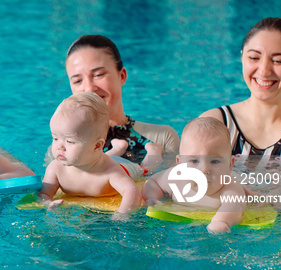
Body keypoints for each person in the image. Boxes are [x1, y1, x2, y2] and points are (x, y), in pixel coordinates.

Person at [199, 17, 281, 171]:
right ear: (242, 58)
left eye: (278, 61)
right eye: (254, 58)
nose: (263, 70)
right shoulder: (215, 122)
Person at [64, 35, 180, 174]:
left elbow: (175, 190)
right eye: (77, 81)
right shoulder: (63, 144)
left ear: (122, 76)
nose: (89, 88)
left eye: (99, 75)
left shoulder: (162, 138)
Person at [39, 92, 141, 216]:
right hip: (95, 156)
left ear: (98, 145)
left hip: (123, 165)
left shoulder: (110, 171)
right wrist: (47, 203)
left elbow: (132, 191)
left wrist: (121, 215)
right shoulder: (56, 169)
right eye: (55, 138)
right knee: (98, 155)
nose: (59, 146)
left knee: (145, 169)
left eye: (69, 141)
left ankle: (151, 151)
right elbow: (44, 194)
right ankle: (118, 147)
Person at [142, 117, 246, 233]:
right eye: (194, 161)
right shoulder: (176, 179)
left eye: (215, 161)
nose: (204, 169)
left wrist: (221, 222)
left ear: (230, 165)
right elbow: (153, 182)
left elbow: (235, 206)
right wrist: (152, 198)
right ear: (179, 164)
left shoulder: (229, 187)